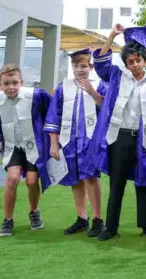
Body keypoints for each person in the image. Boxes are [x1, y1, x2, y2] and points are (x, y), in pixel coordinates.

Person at [92, 25, 146, 240]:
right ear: (126, 64)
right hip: (120, 137)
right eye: (130, 62)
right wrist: (112, 36)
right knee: (116, 183)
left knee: (143, 183)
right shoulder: (117, 78)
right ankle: (110, 227)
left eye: (138, 60)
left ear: (145, 61)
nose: (135, 65)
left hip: (143, 140)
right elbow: (101, 63)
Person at [44, 49, 107, 236]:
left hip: (90, 141)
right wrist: (54, 144)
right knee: (75, 179)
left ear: (91, 67)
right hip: (69, 140)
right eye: (76, 66)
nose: (80, 70)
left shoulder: (99, 86)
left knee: (90, 177)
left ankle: (97, 219)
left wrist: (92, 92)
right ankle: (82, 218)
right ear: (71, 67)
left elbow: (106, 108)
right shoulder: (63, 87)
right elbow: (53, 117)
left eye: (83, 66)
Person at [0, 64, 52, 236]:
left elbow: (52, 113)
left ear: (21, 82)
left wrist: (52, 138)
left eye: (15, 83)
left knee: (32, 182)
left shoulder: (36, 95)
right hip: (13, 145)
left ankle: (34, 212)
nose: (11, 87)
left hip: (34, 144)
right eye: (6, 83)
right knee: (11, 180)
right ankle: (7, 219)